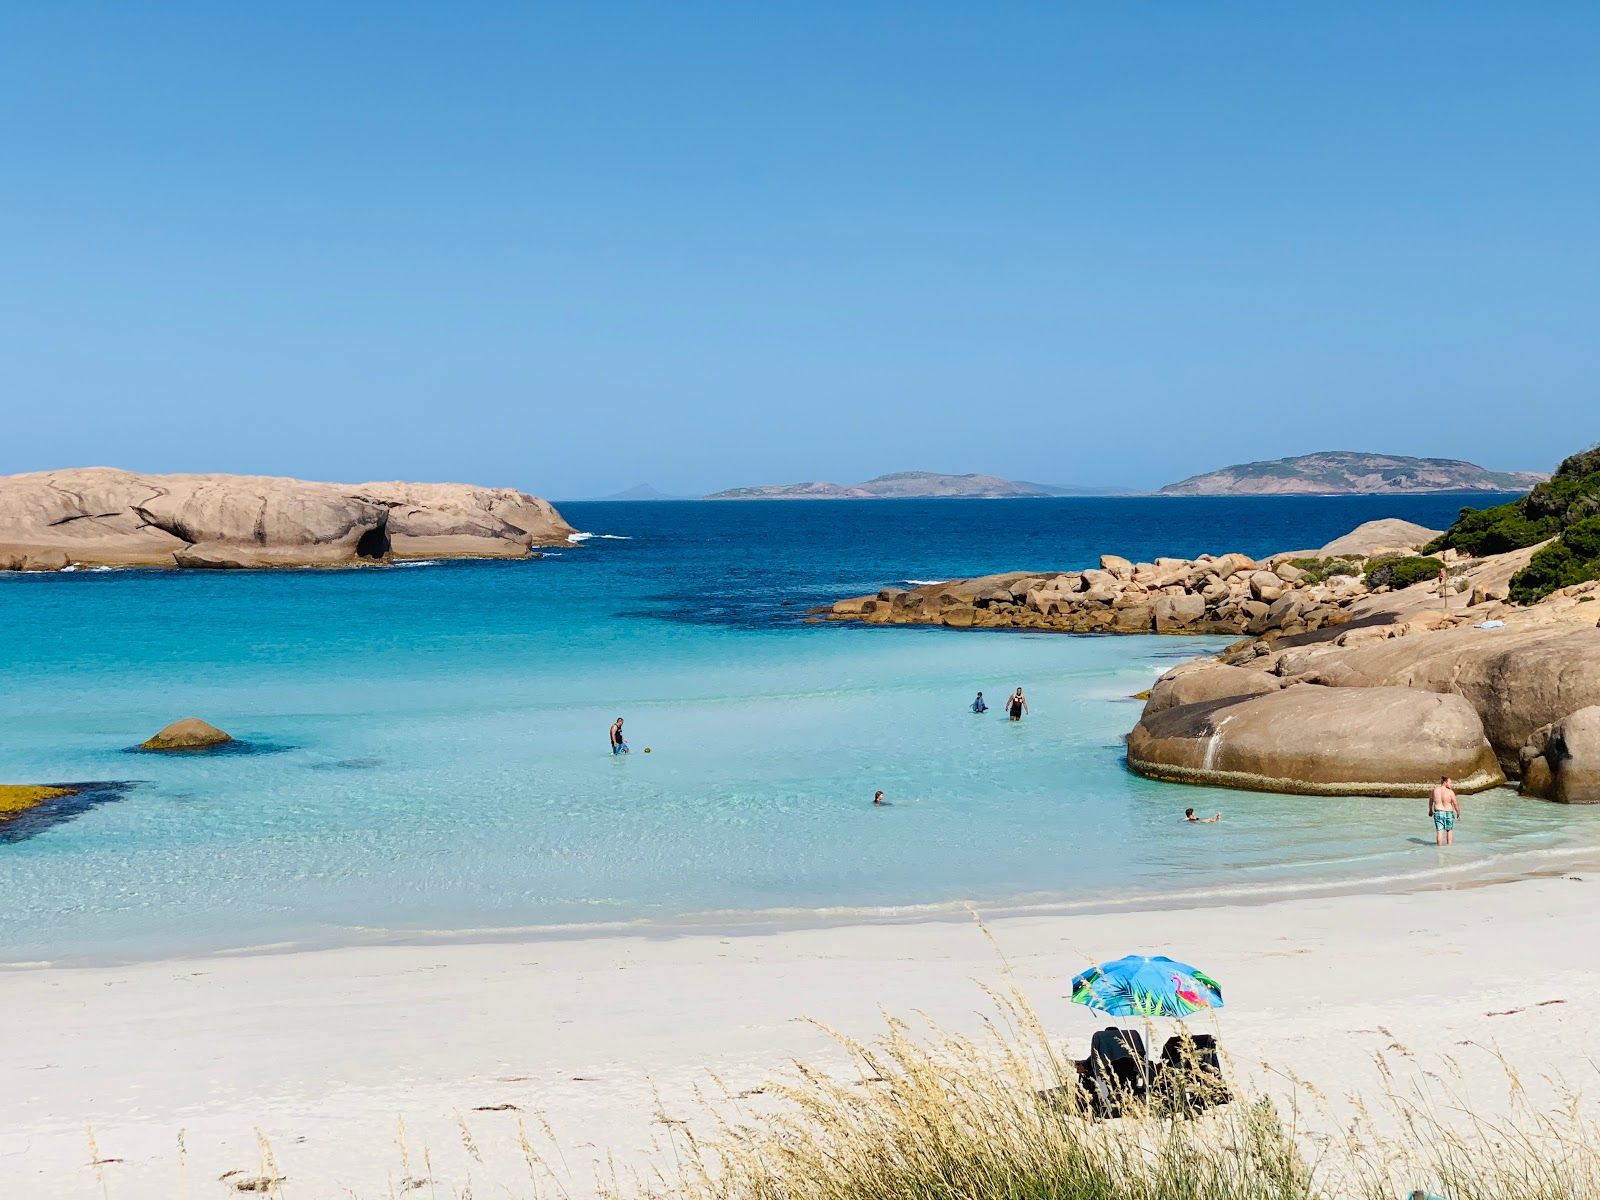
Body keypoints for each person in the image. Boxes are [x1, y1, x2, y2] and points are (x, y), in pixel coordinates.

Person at [1429, 776, 1459, 845]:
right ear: (1445, 782)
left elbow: (1431, 800)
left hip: (1438, 812)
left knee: (1439, 831)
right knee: (1449, 830)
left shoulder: (1435, 790)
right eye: (1450, 783)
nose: (1451, 784)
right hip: (1448, 812)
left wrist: (1430, 810)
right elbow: (1455, 803)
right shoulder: (1450, 792)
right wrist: (1458, 812)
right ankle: (1449, 848)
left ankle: (1439, 849)